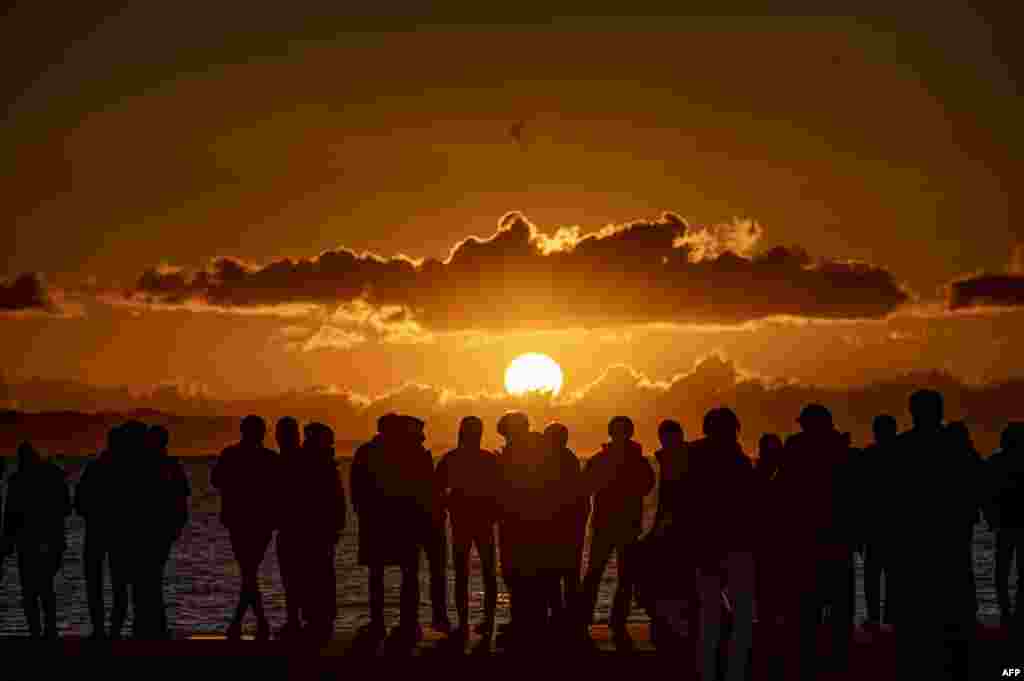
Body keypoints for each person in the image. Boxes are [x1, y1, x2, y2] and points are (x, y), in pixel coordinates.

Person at [891, 390, 974, 679]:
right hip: (950, 540)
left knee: (915, 618)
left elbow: (888, 496)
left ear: (913, 412)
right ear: (939, 412)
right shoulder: (956, 446)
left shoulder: (901, 447)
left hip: (913, 543)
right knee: (953, 613)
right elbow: (977, 484)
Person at [774, 405, 857, 680]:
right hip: (835, 538)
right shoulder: (842, 449)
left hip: (805, 539)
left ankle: (808, 658)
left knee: (807, 606)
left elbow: (783, 491)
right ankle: (838, 658)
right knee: (838, 605)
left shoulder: (795, 448)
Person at [684, 408, 756, 681]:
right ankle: (735, 671)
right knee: (741, 615)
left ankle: (707, 671)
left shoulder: (694, 457)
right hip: (735, 544)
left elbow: (686, 502)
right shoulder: (739, 461)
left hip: (707, 545)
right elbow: (749, 504)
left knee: (710, 616)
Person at [351, 413, 433, 648]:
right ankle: (407, 622)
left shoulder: (367, 451)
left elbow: (357, 488)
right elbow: (423, 486)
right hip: (402, 521)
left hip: (378, 521)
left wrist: (362, 512)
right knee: (406, 574)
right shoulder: (409, 451)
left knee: (378, 574)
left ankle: (381, 622)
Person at [579, 416, 656, 650]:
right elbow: (647, 487)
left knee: (600, 576)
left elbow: (586, 486)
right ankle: (614, 621)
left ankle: (590, 620)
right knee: (619, 577)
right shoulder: (638, 462)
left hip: (611, 526)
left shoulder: (601, 460)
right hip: (622, 525)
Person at [211, 415, 279, 641]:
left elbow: (217, 480)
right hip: (257, 522)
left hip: (241, 521)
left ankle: (245, 623)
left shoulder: (231, 455)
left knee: (248, 572)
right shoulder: (269, 458)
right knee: (249, 572)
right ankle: (254, 622)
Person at [435, 416, 500, 642]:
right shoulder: (488, 459)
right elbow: (500, 490)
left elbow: (437, 490)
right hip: (480, 520)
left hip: (463, 520)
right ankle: (486, 620)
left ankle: (465, 623)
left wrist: (449, 503)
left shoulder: (451, 459)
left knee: (463, 573)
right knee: (487, 572)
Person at [282, 422, 346, 645]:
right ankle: (318, 619)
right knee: (317, 575)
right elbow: (337, 499)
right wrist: (337, 526)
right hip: (314, 530)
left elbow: (336, 499)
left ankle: (315, 619)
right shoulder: (323, 464)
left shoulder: (309, 462)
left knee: (309, 576)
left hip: (311, 530)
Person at [0, 442, 71, 639]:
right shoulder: (53, 476)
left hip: (29, 542)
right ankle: (49, 629)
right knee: (45, 586)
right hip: (51, 541)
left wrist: (7, 543)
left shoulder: (17, 481)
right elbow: (66, 508)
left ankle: (36, 631)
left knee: (30, 590)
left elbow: (10, 517)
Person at [144, 424, 190, 639]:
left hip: (152, 530)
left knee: (149, 579)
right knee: (153, 578)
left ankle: (151, 625)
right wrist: (178, 525)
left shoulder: (146, 467)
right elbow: (182, 499)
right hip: (162, 529)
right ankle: (155, 625)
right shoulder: (172, 465)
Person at [74, 425, 120, 639]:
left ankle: (99, 629)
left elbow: (79, 501)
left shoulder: (94, 468)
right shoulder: (125, 471)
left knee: (95, 583)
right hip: (117, 532)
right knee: (119, 583)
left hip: (96, 531)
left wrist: (91, 514)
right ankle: (114, 629)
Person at [542, 422, 586, 637]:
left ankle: (562, 616)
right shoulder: (569, 460)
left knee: (558, 575)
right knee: (566, 575)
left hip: (560, 527)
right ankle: (566, 616)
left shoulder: (559, 461)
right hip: (565, 527)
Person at [860, 414, 899, 630]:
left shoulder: (869, 456)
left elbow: (860, 494)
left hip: (874, 525)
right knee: (893, 574)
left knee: (873, 576)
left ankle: (875, 617)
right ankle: (891, 616)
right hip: (894, 525)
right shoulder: (903, 455)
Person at [945, 420, 984, 629]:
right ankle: (967, 609)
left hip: (948, 519)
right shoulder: (971, 456)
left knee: (950, 565)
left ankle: (954, 609)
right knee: (962, 564)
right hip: (964, 518)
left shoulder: (944, 458)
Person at [987, 422, 1024, 630]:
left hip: (1004, 523)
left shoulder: (996, 462)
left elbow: (988, 493)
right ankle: (1014, 612)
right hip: (1010, 522)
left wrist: (990, 517)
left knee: (1002, 569)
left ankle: (1006, 611)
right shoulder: (998, 462)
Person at [273, 416, 304, 639]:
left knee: (292, 578)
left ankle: (295, 621)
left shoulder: (280, 462)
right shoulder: (304, 460)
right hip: (294, 528)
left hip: (292, 529)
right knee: (294, 578)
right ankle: (296, 620)